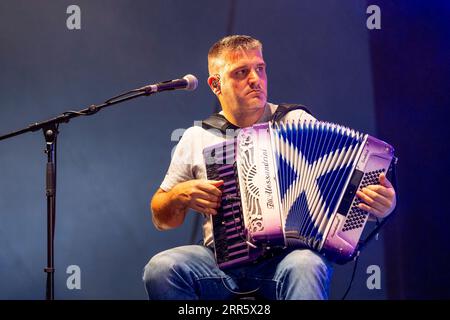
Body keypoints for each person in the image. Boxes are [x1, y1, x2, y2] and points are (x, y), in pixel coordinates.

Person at [143, 35, 396, 300]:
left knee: (307, 264)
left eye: (260, 68)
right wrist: (177, 196)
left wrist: (382, 205)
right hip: (218, 265)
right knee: (161, 268)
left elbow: (337, 188)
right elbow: (163, 220)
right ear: (216, 85)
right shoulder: (197, 137)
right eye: (241, 72)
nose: (255, 79)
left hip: (286, 262)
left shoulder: (295, 122)